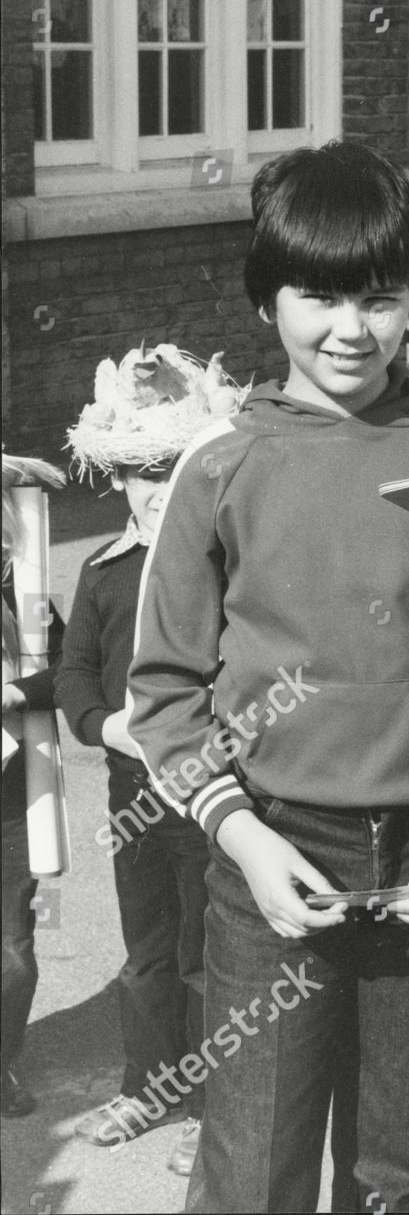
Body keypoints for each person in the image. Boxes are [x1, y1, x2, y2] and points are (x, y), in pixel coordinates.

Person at [125, 141, 409, 1214]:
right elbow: (164, 697)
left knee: (399, 1175)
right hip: (273, 864)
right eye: (318, 295)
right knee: (251, 1171)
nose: (351, 329)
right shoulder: (221, 467)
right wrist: (246, 842)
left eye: (379, 296)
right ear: (265, 300)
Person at [57, 343, 247, 1175]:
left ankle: (226, 1109)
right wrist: (106, 729)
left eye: (170, 466)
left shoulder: (231, 569)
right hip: (136, 796)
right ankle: (149, 1085)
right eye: (137, 471)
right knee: (147, 953)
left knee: (217, 958)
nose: (154, 486)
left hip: (217, 795)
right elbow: (72, 675)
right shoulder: (105, 574)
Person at [1, 452, 65, 1119]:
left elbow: (72, 669)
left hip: (9, 801)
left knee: (12, 952)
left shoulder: (24, 592)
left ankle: (0, 1066)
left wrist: (17, 690)